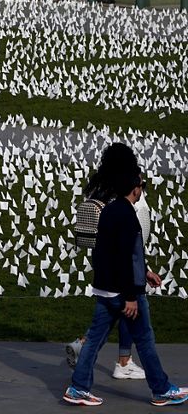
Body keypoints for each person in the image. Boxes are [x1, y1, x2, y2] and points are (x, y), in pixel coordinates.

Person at [63, 144, 188, 407]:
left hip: (105, 290)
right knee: (144, 340)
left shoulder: (108, 211)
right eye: (142, 184)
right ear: (135, 188)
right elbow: (127, 257)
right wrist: (132, 294)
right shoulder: (128, 216)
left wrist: (147, 272)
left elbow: (109, 253)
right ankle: (161, 389)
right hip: (125, 292)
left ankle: (78, 388)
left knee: (94, 340)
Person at [65, 144, 156, 379]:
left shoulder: (100, 189)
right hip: (123, 263)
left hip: (102, 262)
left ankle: (87, 364)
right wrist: (142, 269)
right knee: (132, 309)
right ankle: (130, 366)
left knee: (107, 318)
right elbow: (130, 241)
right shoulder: (123, 195)